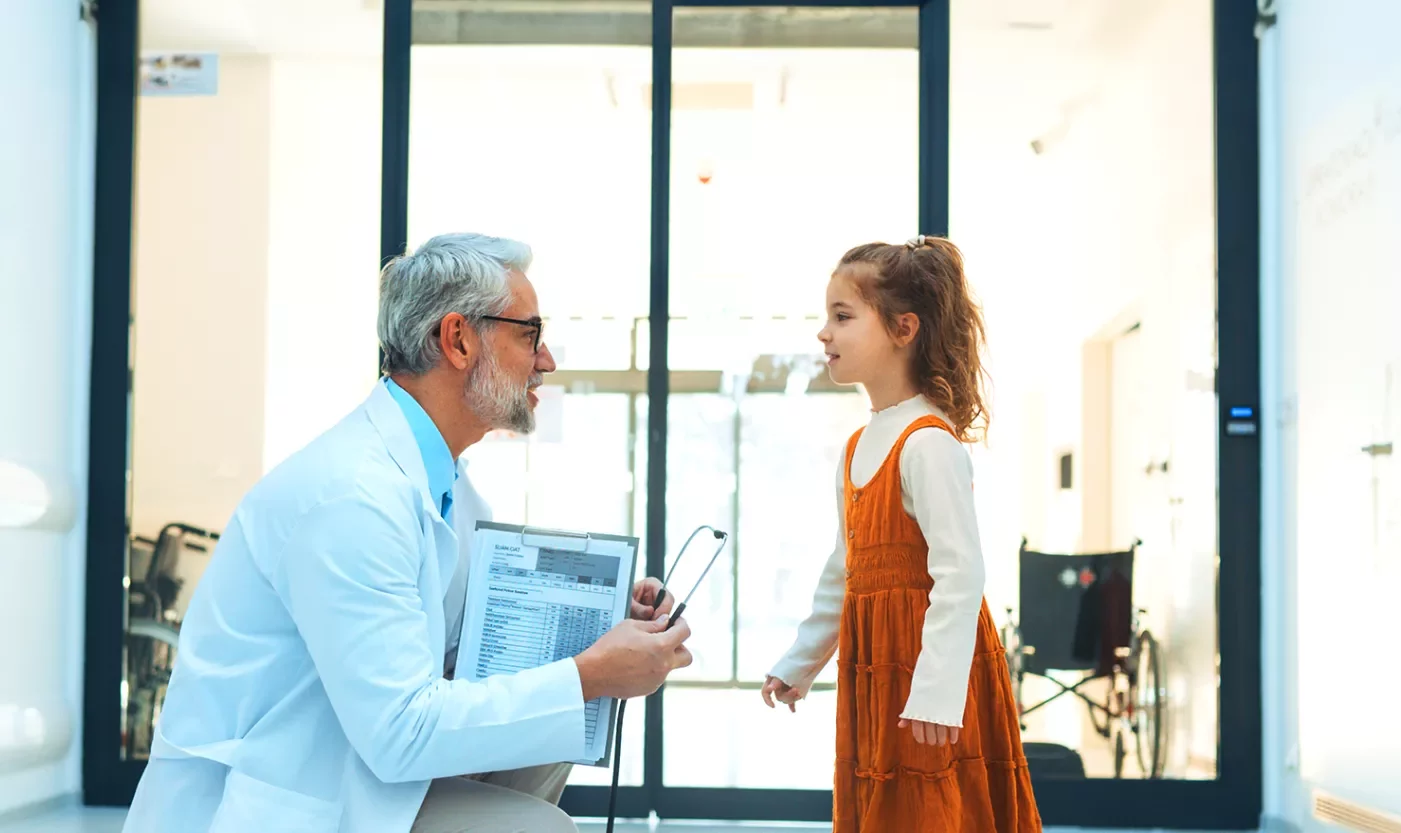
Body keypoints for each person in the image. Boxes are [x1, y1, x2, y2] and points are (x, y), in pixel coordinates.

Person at [123, 233, 692, 833]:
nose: (546, 360)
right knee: (544, 825)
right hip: (281, 798)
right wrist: (593, 672)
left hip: (359, 772)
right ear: (458, 340)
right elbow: (401, 731)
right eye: (530, 334)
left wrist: (599, 620)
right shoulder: (350, 497)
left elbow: (469, 649)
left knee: (549, 738)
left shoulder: (448, 486)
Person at [759, 236, 1041, 833]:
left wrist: (938, 694)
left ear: (903, 328)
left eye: (842, 317)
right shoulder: (859, 445)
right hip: (877, 668)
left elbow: (961, 576)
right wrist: (801, 661)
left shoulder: (928, 443)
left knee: (936, 813)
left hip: (929, 677)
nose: (823, 333)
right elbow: (847, 568)